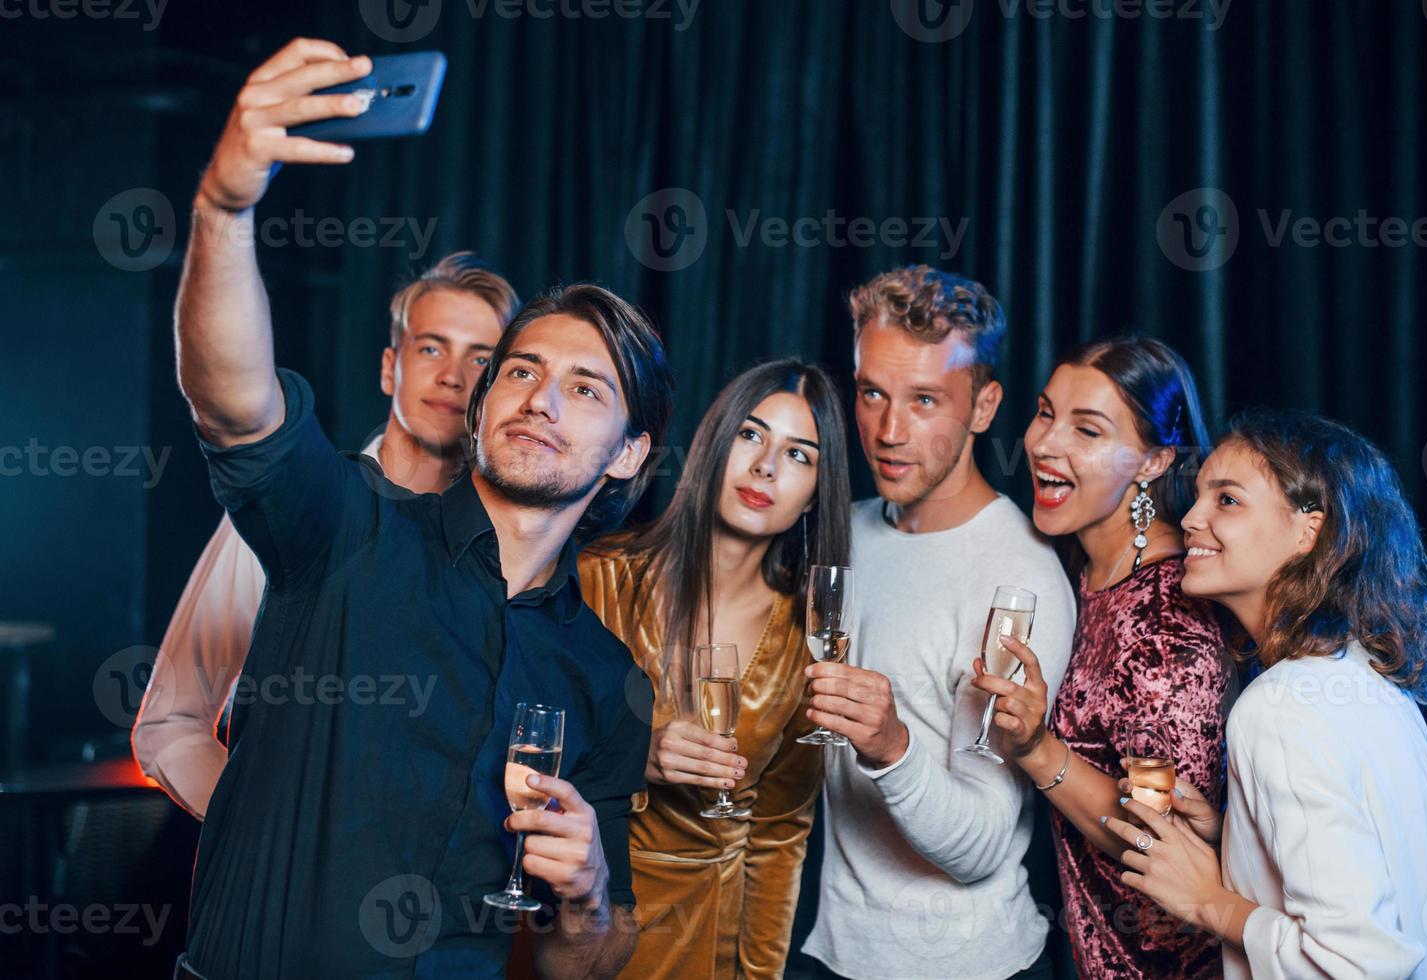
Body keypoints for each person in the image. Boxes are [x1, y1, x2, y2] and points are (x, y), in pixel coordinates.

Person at [169, 39, 674, 979]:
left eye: (586, 389)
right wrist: (226, 205)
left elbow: (584, 964)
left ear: (630, 453)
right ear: (483, 408)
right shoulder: (347, 531)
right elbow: (232, 397)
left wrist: (591, 887)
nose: (542, 398)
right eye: (521, 371)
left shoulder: (604, 679)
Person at [1100, 409, 1427, 979]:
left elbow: (1358, 964)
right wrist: (1237, 833)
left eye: (1227, 500)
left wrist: (1207, 899)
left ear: (1308, 532)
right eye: (1200, 494)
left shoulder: (1278, 708)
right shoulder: (1364, 674)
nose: (1191, 518)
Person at [133, 250, 516, 820]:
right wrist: (259, 838)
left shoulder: (507, 548)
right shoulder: (294, 507)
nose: (452, 377)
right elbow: (170, 723)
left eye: (481, 360)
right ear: (391, 366)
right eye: (431, 347)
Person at [801, 265, 1077, 980]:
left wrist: (891, 747)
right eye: (871, 395)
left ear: (984, 407)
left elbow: (983, 845)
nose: (888, 432)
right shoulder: (848, 531)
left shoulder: (1020, 579)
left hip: (968, 964)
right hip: (831, 952)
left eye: (925, 400)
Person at [578, 359, 851, 979]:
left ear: (816, 493)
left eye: (800, 455)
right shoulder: (601, 576)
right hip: (577, 919)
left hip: (706, 940)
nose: (766, 467)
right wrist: (635, 755)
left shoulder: (807, 645)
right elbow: (519, 747)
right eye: (751, 435)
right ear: (713, 443)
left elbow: (779, 839)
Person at [970, 338, 1234, 978]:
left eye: (1086, 429)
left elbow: (1160, 836)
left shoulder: (1168, 623)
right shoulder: (1079, 566)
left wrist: (1036, 748)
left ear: (1152, 462)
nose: (1044, 444)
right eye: (1044, 413)